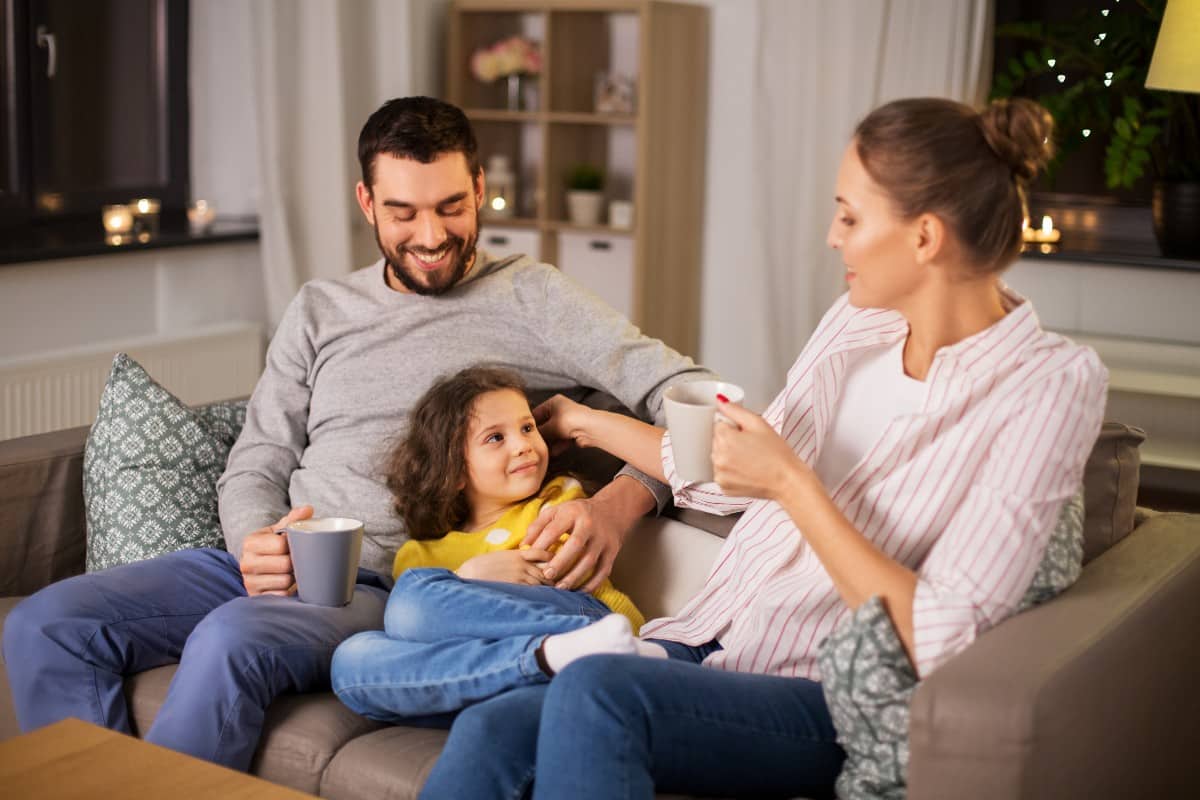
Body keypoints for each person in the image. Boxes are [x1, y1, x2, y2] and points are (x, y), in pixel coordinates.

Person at [416, 96, 1109, 800]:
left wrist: (795, 489)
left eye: (849, 216)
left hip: (816, 697)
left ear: (924, 236)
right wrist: (583, 423)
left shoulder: (1047, 386)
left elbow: (942, 636)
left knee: (600, 693)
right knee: (490, 730)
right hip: (705, 641)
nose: (833, 237)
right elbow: (727, 476)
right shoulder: (857, 323)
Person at [1, 96, 712, 770]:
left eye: (451, 207)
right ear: (366, 202)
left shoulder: (534, 296)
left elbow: (692, 397)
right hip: (273, 563)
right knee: (45, 624)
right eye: (402, 211)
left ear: (480, 189)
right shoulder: (319, 309)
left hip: (382, 582)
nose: (431, 236)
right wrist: (254, 540)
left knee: (228, 640)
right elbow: (260, 454)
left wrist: (619, 505)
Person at [329, 365, 668, 722]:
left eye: (527, 428)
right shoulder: (418, 557)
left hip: (579, 617)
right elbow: (420, 635)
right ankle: (544, 661)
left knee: (410, 599)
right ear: (455, 470)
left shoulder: (556, 505)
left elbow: (582, 590)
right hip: (495, 676)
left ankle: (596, 650)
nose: (523, 446)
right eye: (496, 438)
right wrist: (468, 577)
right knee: (351, 659)